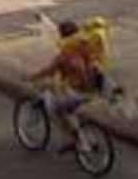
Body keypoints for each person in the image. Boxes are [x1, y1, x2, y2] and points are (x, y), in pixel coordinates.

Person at [30, 18, 108, 151]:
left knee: (56, 109)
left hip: (78, 92)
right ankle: (78, 132)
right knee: (68, 108)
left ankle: (77, 141)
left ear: (62, 36)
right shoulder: (87, 46)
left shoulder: (65, 53)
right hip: (93, 90)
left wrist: (31, 77)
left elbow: (49, 71)